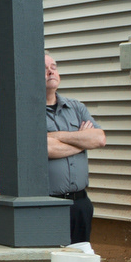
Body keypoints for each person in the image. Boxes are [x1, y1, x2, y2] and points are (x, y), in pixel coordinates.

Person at [45, 53, 106, 245]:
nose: (50, 71)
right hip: (48, 204)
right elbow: (44, 149)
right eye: (44, 68)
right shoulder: (27, 111)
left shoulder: (76, 107)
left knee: (80, 260)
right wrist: (81, 141)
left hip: (80, 203)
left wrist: (56, 137)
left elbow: (99, 139)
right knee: (52, 260)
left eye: (54, 66)